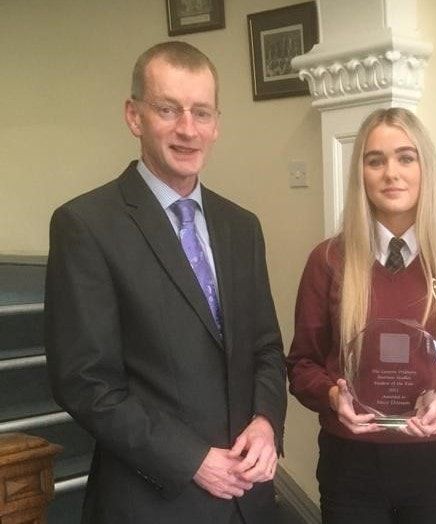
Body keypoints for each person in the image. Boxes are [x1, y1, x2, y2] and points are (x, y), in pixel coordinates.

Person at [44, 41, 286, 523]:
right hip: (151, 502)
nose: (187, 129)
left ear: (217, 124)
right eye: (168, 109)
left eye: (201, 112)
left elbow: (265, 347)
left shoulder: (243, 227)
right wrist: (190, 459)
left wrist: (265, 422)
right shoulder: (86, 225)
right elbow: (85, 383)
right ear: (134, 116)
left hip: (248, 501)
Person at [287, 107, 436, 523]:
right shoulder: (328, 261)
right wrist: (334, 396)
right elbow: (301, 366)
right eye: (376, 160)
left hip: (435, 466)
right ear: (361, 173)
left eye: (405, 157)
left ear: (424, 168)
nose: (391, 172)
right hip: (350, 465)